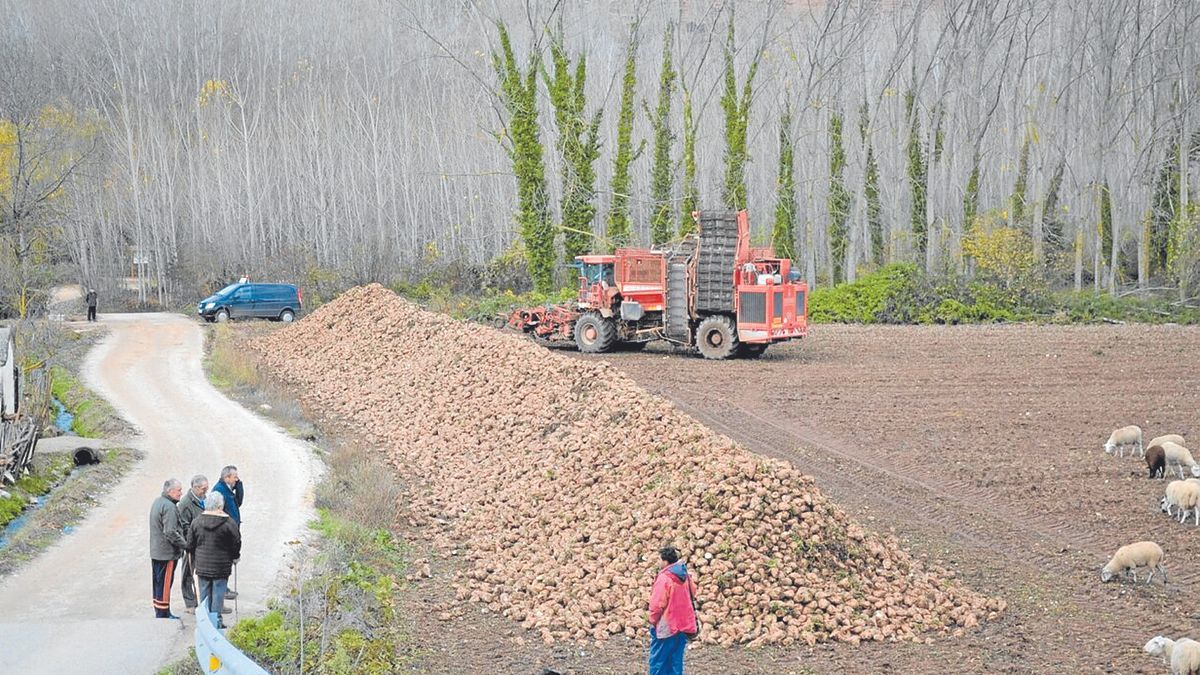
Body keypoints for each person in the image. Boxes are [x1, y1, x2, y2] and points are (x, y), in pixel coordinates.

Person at [186, 491, 241, 629]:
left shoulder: (197, 522)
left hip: (203, 566)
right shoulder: (229, 523)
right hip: (221, 567)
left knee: (204, 594)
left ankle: (204, 623)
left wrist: (195, 556)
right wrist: (235, 557)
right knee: (218, 594)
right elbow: (236, 543)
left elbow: (190, 544)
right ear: (220, 505)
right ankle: (216, 621)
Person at [647, 546, 698, 675]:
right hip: (683, 624)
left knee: (658, 661)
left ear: (665, 561)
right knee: (675, 661)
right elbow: (694, 591)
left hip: (667, 625)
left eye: (659, 559)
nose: (658, 562)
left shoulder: (665, 577)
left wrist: (653, 620)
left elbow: (657, 604)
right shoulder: (684, 574)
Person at [149, 478, 186, 619]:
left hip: (157, 551)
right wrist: (185, 544)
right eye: (179, 490)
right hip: (166, 553)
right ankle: (163, 613)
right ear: (170, 491)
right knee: (165, 584)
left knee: (158, 583)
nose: (181, 493)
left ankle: (160, 610)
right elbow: (170, 532)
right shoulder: (169, 507)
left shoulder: (158, 502)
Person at [176, 474, 208, 613]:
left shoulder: (203, 499)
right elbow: (184, 526)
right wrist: (191, 542)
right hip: (191, 544)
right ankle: (190, 603)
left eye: (206, 488)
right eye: (203, 489)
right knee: (187, 573)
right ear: (194, 488)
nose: (205, 491)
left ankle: (205, 603)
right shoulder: (185, 504)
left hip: (204, 544)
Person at [212, 465, 244, 598]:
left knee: (227, 561)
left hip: (231, 530)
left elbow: (238, 503)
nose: (236, 479)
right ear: (226, 477)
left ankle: (224, 588)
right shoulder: (219, 491)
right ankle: (222, 590)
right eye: (234, 477)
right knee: (223, 562)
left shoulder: (228, 489)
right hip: (224, 532)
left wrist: (239, 486)